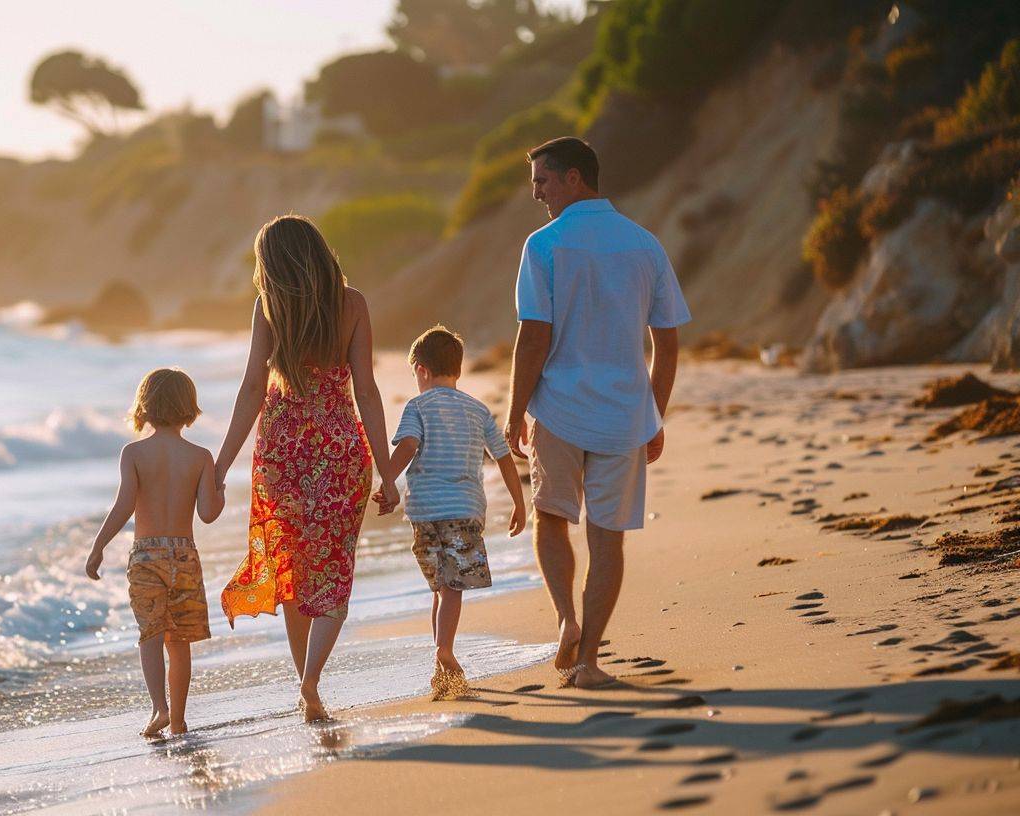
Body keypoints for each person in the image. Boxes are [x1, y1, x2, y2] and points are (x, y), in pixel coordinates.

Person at [502, 137, 690, 690]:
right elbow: (668, 342)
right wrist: (654, 413)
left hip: (559, 409)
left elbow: (533, 337)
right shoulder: (644, 244)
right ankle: (587, 662)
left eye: (542, 180)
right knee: (608, 538)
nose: (535, 192)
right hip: (624, 416)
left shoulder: (544, 245)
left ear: (574, 178)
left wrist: (514, 414)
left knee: (552, 518)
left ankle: (566, 618)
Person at [215, 214, 398, 723]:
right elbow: (366, 390)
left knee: (294, 573)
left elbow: (253, 388)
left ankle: (306, 684)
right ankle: (310, 681)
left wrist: (222, 464)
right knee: (334, 569)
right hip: (340, 450)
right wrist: (386, 470)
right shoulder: (353, 303)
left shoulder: (269, 307)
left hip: (281, 452)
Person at [375, 325, 526, 699]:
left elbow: (408, 446)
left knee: (441, 586)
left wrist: (387, 482)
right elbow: (504, 459)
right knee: (451, 586)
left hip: (425, 512)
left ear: (422, 371)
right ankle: (444, 650)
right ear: (456, 368)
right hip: (465, 510)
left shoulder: (418, 406)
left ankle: (440, 666)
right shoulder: (477, 410)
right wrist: (519, 504)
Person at [84, 368, 224, 736]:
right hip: (185, 556)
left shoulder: (133, 453)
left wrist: (98, 547)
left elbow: (123, 506)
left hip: (146, 556)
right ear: (189, 408)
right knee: (179, 642)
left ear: (144, 406)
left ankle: (158, 709)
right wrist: (218, 487)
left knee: (151, 635)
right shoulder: (200, 456)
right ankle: (178, 720)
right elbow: (209, 515)